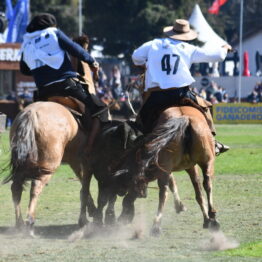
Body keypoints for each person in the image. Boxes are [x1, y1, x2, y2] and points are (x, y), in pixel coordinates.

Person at [132, 19, 231, 155]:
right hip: (181, 94)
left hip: (157, 95)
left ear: (171, 31)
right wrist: (225, 48)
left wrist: (147, 64)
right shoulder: (189, 49)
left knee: (141, 121)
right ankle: (212, 142)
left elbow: (136, 57)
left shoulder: (153, 44)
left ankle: (139, 149)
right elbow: (218, 56)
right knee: (205, 108)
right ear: (186, 35)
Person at [19, 13, 105, 154]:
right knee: (101, 109)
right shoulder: (53, 33)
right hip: (66, 87)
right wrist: (92, 62)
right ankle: (90, 148)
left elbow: (24, 69)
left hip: (43, 92)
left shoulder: (27, 42)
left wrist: (40, 70)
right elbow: (76, 50)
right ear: (51, 25)